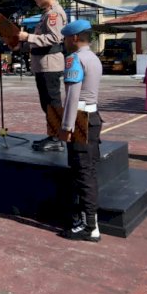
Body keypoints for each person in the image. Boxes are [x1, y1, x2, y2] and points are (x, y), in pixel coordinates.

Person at [58, 20, 103, 242]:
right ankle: (87, 220)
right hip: (93, 117)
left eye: (66, 38)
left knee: (82, 173)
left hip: (80, 119)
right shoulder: (93, 57)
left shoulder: (74, 59)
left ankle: (90, 227)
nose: (65, 42)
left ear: (74, 38)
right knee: (88, 171)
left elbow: (73, 96)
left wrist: (66, 126)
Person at [17, 0, 67, 152]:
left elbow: (54, 39)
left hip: (50, 64)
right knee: (46, 103)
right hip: (43, 64)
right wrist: (22, 44)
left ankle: (58, 138)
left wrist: (27, 37)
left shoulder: (54, 13)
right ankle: (53, 134)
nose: (35, 0)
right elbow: (41, 41)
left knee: (52, 102)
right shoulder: (47, 13)